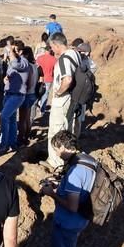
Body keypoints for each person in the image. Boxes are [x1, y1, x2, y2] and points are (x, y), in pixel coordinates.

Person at [40, 130, 94, 247]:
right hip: (82, 217)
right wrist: (60, 184)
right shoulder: (87, 159)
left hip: (69, 221)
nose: (56, 153)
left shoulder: (75, 172)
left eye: (56, 149)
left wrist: (51, 193)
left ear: (62, 146)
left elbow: (72, 206)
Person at [46, 33, 81, 170]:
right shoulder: (75, 54)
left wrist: (58, 92)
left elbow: (67, 79)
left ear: (56, 44)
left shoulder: (65, 58)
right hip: (72, 98)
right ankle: (67, 159)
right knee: (66, 129)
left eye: (52, 47)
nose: (52, 50)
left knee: (56, 130)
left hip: (63, 99)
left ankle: (56, 163)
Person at [0, 40, 29, 155]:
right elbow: (11, 72)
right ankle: (12, 142)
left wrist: (10, 51)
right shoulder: (14, 61)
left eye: (14, 51)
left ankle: (3, 145)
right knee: (12, 119)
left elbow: (15, 65)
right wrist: (6, 79)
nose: (11, 53)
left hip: (17, 95)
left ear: (20, 51)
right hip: (9, 93)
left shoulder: (23, 62)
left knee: (4, 117)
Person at [18, 46, 39, 146]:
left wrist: (23, 91)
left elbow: (29, 81)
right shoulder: (35, 66)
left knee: (22, 119)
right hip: (33, 94)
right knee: (27, 118)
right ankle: (26, 137)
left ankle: (21, 138)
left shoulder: (28, 66)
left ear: (26, 55)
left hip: (27, 94)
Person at [36, 41, 57, 114]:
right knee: (45, 94)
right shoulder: (54, 59)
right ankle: (42, 110)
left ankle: (38, 103)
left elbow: (37, 68)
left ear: (45, 50)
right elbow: (56, 70)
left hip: (39, 78)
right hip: (49, 79)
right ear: (50, 51)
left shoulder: (39, 58)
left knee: (38, 91)